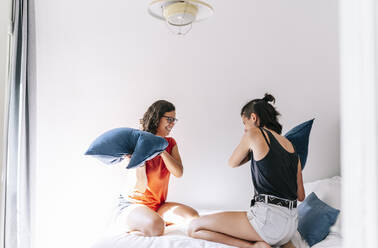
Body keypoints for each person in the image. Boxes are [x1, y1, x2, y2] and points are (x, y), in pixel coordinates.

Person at [188, 93, 305, 248]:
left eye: (245, 123)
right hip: (290, 227)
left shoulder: (254, 133)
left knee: (194, 227)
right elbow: (301, 196)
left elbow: (232, 162)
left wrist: (250, 144)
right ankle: (273, 242)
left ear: (254, 118)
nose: (245, 128)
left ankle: (253, 246)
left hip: (268, 222)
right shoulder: (291, 146)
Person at [116, 100, 199, 236]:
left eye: (174, 120)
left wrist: (161, 150)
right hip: (132, 204)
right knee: (157, 226)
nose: (172, 124)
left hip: (158, 205)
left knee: (193, 218)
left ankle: (149, 219)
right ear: (157, 118)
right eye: (169, 119)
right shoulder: (138, 143)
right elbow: (140, 186)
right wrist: (140, 160)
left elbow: (178, 173)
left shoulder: (170, 143)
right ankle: (132, 223)